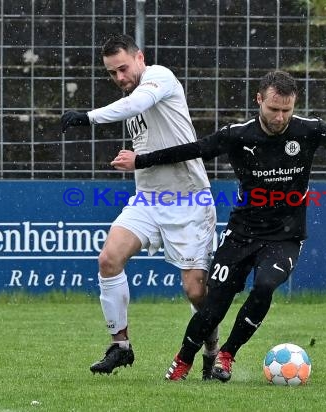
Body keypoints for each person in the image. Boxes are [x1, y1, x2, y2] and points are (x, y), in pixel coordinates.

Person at [111, 70, 326, 382]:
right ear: (259, 100)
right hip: (242, 233)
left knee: (265, 285)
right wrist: (141, 160)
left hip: (285, 235)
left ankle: (227, 354)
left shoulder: (308, 130)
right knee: (213, 302)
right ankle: (183, 361)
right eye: (274, 109)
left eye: (287, 110)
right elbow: (193, 150)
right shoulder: (238, 135)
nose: (280, 117)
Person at [61, 33, 219, 378]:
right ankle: (121, 346)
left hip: (189, 200)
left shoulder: (159, 77)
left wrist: (87, 117)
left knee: (195, 290)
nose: (119, 78)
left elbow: (133, 107)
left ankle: (212, 351)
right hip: (147, 200)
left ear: (140, 59)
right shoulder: (131, 96)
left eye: (123, 68)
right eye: (112, 73)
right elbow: (133, 115)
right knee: (108, 259)